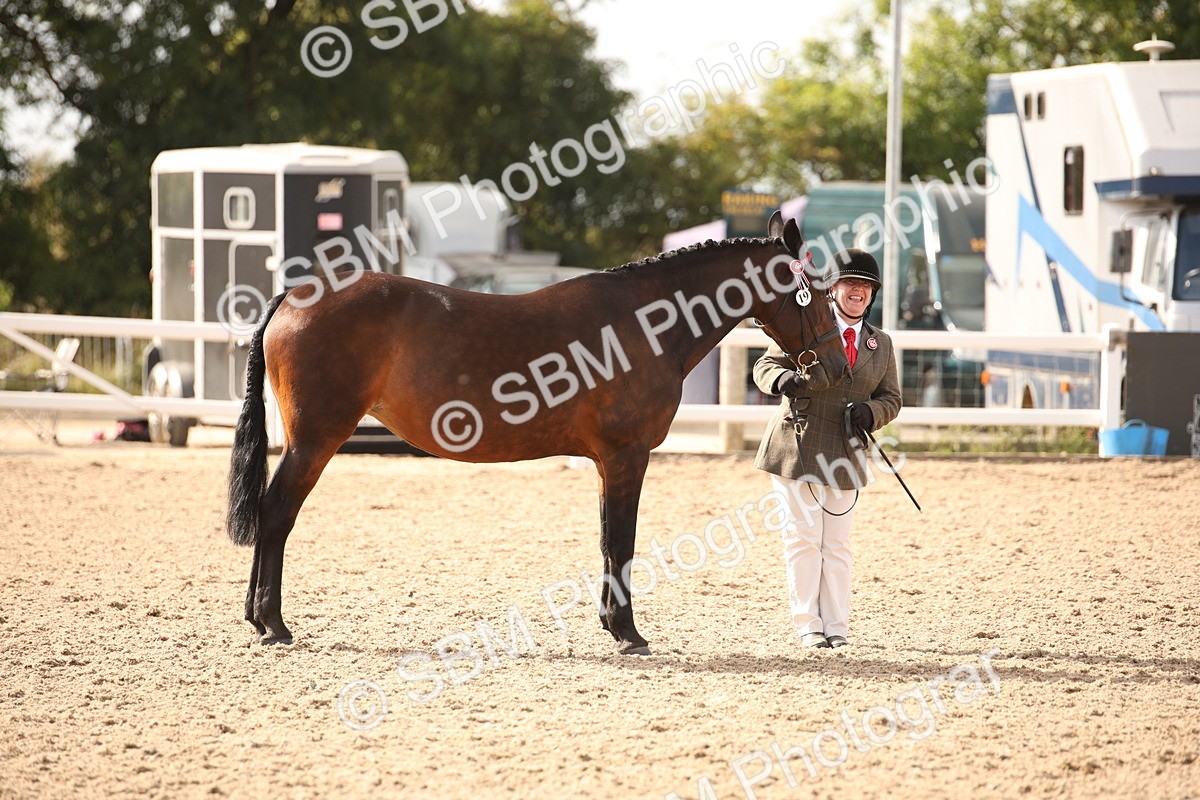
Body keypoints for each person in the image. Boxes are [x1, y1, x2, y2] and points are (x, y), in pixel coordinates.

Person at [753, 248, 902, 650]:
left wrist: (872, 413)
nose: (858, 291)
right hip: (797, 443)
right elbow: (764, 367)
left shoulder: (881, 345)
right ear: (832, 289)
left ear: (872, 294)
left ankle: (837, 626)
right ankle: (808, 625)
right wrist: (782, 380)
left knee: (836, 543)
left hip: (846, 449)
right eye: (850, 283)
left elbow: (892, 397)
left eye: (865, 286)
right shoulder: (806, 327)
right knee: (803, 538)